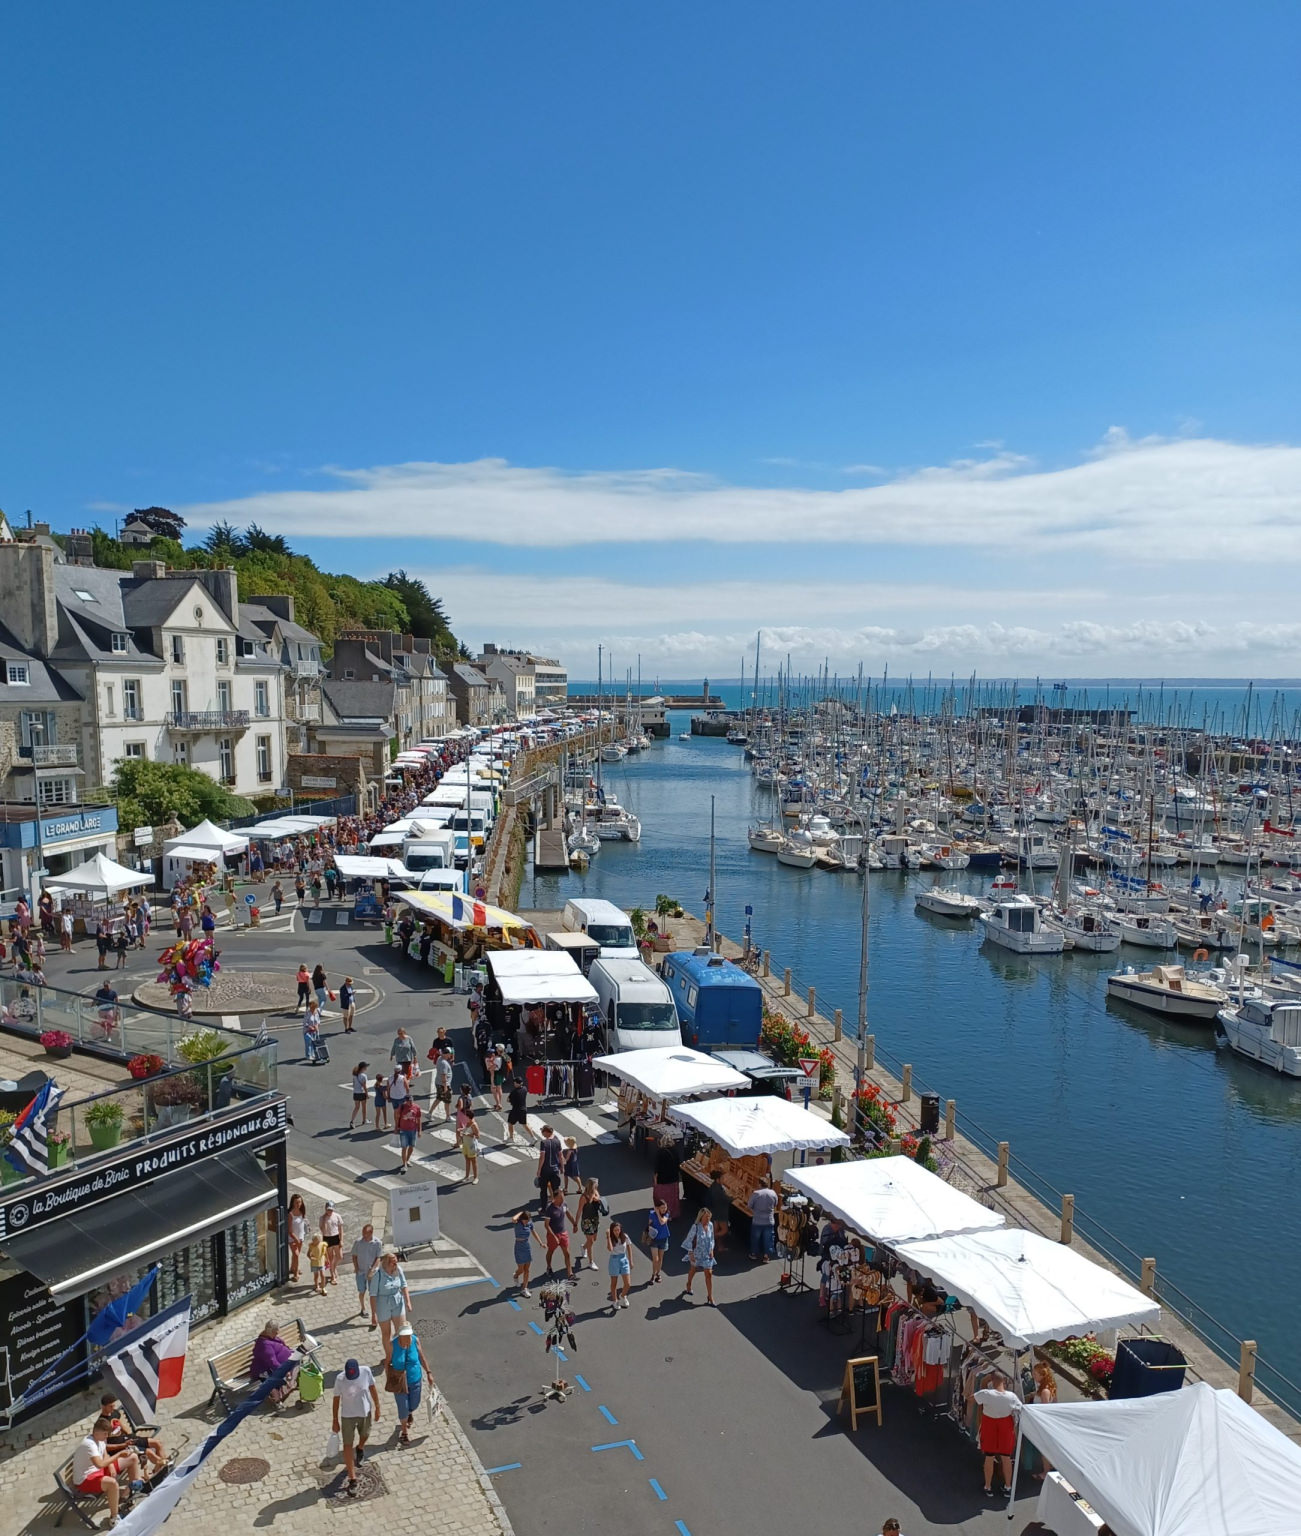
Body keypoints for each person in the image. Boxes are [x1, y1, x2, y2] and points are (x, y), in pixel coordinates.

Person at [71, 1415, 144, 1524]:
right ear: (96, 1432)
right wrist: (119, 1454)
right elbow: (100, 1464)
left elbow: (104, 1452)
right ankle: (114, 1518)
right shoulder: (89, 1445)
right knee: (112, 1484)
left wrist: (110, 1465)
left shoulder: (100, 1439)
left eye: (107, 1434)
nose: (107, 1436)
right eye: (105, 1434)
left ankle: (128, 1496)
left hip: (97, 1470)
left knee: (133, 1458)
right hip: (85, 1479)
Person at [332, 1355, 379, 1496]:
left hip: (365, 1412)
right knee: (347, 1444)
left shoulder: (365, 1372)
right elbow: (335, 1400)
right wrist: (335, 1419)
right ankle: (352, 1478)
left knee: (365, 1434)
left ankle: (360, 1448)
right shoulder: (340, 1379)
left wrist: (377, 1406)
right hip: (347, 1416)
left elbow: (372, 1388)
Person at [974, 1370, 1022, 1497]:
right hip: (1005, 1428)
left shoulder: (986, 1394)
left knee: (989, 1457)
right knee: (1006, 1458)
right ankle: (1008, 1486)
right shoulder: (1011, 1396)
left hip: (989, 1427)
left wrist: (983, 1382)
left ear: (992, 1381)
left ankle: (988, 1486)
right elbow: (1020, 1408)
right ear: (1004, 1381)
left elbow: (972, 1398)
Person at [387, 1321, 432, 1446]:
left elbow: (421, 1357)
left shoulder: (415, 1341)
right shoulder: (392, 1345)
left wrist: (429, 1372)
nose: (407, 1338)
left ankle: (409, 1413)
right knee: (403, 1407)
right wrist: (389, 1377)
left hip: (415, 1378)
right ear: (400, 1335)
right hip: (399, 1382)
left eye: (408, 1335)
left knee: (415, 1403)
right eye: (404, 1335)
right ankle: (404, 1432)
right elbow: (387, 1362)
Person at [100, 1393, 167, 1475]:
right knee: (148, 1452)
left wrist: (130, 1435)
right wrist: (123, 1445)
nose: (113, 1408)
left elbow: (119, 1424)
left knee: (157, 1443)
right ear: (103, 1407)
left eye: (114, 1405)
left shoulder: (114, 1413)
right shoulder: (101, 1424)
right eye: (110, 1406)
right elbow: (104, 1447)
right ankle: (163, 1467)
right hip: (119, 1448)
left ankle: (160, 1469)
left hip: (128, 1439)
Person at [369, 1249, 412, 1345]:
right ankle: (389, 1356)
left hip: (397, 1302)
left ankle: (400, 1354)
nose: (395, 1265)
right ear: (387, 1264)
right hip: (383, 1305)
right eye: (393, 1263)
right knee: (386, 1334)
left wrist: (408, 1302)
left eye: (396, 1262)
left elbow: (404, 1285)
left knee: (402, 1331)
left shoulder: (398, 1270)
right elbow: (373, 1295)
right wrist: (373, 1314)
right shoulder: (378, 1275)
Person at [251, 1321, 300, 1407]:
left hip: (279, 1364)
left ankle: (291, 1385)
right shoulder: (264, 1345)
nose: (277, 1333)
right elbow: (272, 1362)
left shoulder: (270, 1337)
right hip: (264, 1369)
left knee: (297, 1362)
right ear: (270, 1331)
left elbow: (282, 1345)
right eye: (276, 1331)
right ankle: (277, 1400)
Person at [682, 1208, 716, 1305]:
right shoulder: (696, 1227)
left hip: (707, 1254)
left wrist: (712, 1249)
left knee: (709, 1274)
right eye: (706, 1217)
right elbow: (688, 1240)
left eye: (709, 1217)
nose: (708, 1219)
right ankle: (689, 1283)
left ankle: (710, 1296)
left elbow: (712, 1239)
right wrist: (691, 1252)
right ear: (701, 1217)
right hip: (696, 1253)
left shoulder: (710, 1225)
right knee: (693, 1270)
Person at [575, 1178, 608, 1272]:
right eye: (596, 1185)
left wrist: (596, 1197)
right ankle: (591, 1262)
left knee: (594, 1239)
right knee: (591, 1241)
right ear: (592, 1185)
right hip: (587, 1221)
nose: (597, 1186)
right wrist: (575, 1224)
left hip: (595, 1219)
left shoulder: (595, 1192)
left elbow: (599, 1198)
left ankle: (583, 1247)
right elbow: (579, 1211)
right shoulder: (583, 1197)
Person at [543, 1188, 576, 1277]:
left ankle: (570, 1273)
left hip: (563, 1233)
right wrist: (554, 1236)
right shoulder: (550, 1209)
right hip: (553, 1235)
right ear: (555, 1198)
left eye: (563, 1197)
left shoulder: (564, 1204)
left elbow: (568, 1214)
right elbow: (546, 1225)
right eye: (561, 1198)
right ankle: (549, 1267)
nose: (563, 1199)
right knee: (551, 1251)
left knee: (567, 1253)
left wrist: (574, 1224)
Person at [351, 1222, 382, 1319]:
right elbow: (354, 1256)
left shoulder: (377, 1243)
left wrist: (372, 1270)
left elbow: (378, 1258)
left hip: (371, 1273)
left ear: (371, 1233)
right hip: (360, 1272)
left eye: (365, 1233)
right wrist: (356, 1268)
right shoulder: (358, 1242)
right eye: (363, 1233)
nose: (363, 1235)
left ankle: (375, 1311)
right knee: (362, 1291)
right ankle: (363, 1308)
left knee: (373, 1292)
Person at [747, 1176, 779, 1263]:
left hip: (757, 1220)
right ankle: (766, 1256)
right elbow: (776, 1203)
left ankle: (754, 1254)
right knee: (768, 1239)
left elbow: (749, 1205)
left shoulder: (756, 1193)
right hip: (769, 1220)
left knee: (755, 1238)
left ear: (759, 1184)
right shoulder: (773, 1193)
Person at [512, 1209, 543, 1297]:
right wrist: (521, 1212)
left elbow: (534, 1232)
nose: (526, 1222)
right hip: (519, 1246)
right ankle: (516, 1275)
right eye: (525, 1220)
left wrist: (540, 1242)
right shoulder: (517, 1223)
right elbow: (513, 1219)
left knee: (527, 1269)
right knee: (521, 1269)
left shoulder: (529, 1223)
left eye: (528, 1220)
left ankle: (524, 1288)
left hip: (526, 1246)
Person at [607, 1220, 634, 1311]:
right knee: (614, 1283)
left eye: (618, 1230)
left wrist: (630, 1260)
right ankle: (615, 1301)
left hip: (623, 1259)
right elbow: (610, 1249)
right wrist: (608, 1237)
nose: (617, 1232)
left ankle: (623, 1296)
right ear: (612, 1231)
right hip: (614, 1260)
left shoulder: (625, 1236)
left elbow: (629, 1247)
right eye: (615, 1230)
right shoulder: (610, 1238)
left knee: (628, 1283)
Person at [536, 1124, 564, 1207]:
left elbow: (542, 1157)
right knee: (556, 1189)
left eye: (542, 1132)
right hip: (555, 1169)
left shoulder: (544, 1142)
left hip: (545, 1170)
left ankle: (544, 1208)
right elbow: (560, 1155)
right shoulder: (557, 1141)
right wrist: (562, 1167)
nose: (542, 1133)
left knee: (543, 1190)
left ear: (547, 1132)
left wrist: (539, 1170)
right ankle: (558, 1205)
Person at [646, 1196, 671, 1283]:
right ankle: (653, 1275)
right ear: (658, 1207)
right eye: (662, 1208)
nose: (664, 1209)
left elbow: (662, 1222)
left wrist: (657, 1212)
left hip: (663, 1238)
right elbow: (649, 1224)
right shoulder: (652, 1214)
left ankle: (658, 1274)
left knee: (660, 1258)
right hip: (654, 1239)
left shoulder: (667, 1214)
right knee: (655, 1259)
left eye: (665, 1207)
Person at [396, 1094, 423, 1172]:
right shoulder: (402, 1107)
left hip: (413, 1130)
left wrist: (419, 1130)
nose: (410, 1102)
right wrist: (396, 1128)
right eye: (409, 1101)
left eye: (411, 1100)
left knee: (412, 1146)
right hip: (403, 1130)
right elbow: (397, 1117)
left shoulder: (417, 1107)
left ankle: (407, 1160)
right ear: (406, 1101)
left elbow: (419, 1119)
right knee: (404, 1147)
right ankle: (404, 1164)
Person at [706, 1169, 733, 1249]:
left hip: (715, 1210)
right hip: (721, 1212)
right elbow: (726, 1199)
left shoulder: (714, 1186)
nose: (723, 1180)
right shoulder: (718, 1189)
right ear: (718, 1179)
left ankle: (719, 1246)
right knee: (724, 1230)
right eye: (722, 1178)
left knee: (716, 1229)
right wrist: (734, 1197)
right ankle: (708, 1239)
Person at [320, 1201, 344, 1285]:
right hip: (327, 1238)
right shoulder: (322, 1218)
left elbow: (341, 1229)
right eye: (328, 1210)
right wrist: (324, 1221)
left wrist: (341, 1240)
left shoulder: (337, 1216)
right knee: (330, 1257)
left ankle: (333, 1267)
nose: (329, 1212)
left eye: (331, 1210)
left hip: (336, 1237)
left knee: (340, 1256)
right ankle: (332, 1274)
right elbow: (322, 1230)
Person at [506, 1075, 534, 1144]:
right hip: (523, 1109)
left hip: (515, 1110)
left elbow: (508, 1100)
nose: (514, 1084)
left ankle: (511, 1138)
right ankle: (533, 1138)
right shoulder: (524, 1089)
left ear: (517, 1083)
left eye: (515, 1083)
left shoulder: (514, 1092)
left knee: (510, 1123)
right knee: (525, 1124)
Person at [287, 1192, 308, 1281]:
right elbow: (290, 1230)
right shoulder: (290, 1214)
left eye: (300, 1202)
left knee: (296, 1255)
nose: (298, 1204)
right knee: (296, 1254)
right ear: (292, 1203)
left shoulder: (302, 1211)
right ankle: (296, 1273)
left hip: (300, 1236)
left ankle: (293, 1268)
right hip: (293, 1237)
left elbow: (302, 1223)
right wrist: (296, 1239)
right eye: (296, 1202)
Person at [432, 1048, 454, 1119]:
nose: (450, 1055)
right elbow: (443, 1076)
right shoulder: (444, 1063)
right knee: (447, 1101)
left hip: (439, 1083)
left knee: (439, 1098)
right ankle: (448, 1116)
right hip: (443, 1084)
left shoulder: (440, 1058)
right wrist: (445, 1087)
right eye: (449, 1054)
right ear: (446, 1054)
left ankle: (429, 1113)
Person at [348, 1061, 370, 1129]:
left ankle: (352, 1121)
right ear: (363, 1068)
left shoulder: (355, 1075)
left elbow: (354, 1084)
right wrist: (367, 1094)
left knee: (356, 1107)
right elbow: (364, 1086)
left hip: (356, 1093)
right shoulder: (364, 1076)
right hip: (362, 1093)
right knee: (364, 1107)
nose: (366, 1068)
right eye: (366, 1067)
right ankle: (364, 1120)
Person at [485, 1045, 506, 1111]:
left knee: (493, 1089)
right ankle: (499, 1102)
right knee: (499, 1088)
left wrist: (489, 1064)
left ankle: (498, 1104)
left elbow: (491, 1068)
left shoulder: (496, 1059)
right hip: (502, 1073)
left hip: (496, 1074)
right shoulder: (505, 1056)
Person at [303, 999, 323, 1064]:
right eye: (312, 1008)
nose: (314, 1009)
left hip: (315, 1031)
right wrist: (310, 1027)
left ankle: (313, 1054)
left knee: (314, 1043)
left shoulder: (316, 1013)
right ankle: (308, 1055)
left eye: (314, 1008)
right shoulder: (307, 1013)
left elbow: (318, 1021)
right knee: (309, 1043)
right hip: (307, 1031)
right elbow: (304, 1023)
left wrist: (317, 1025)